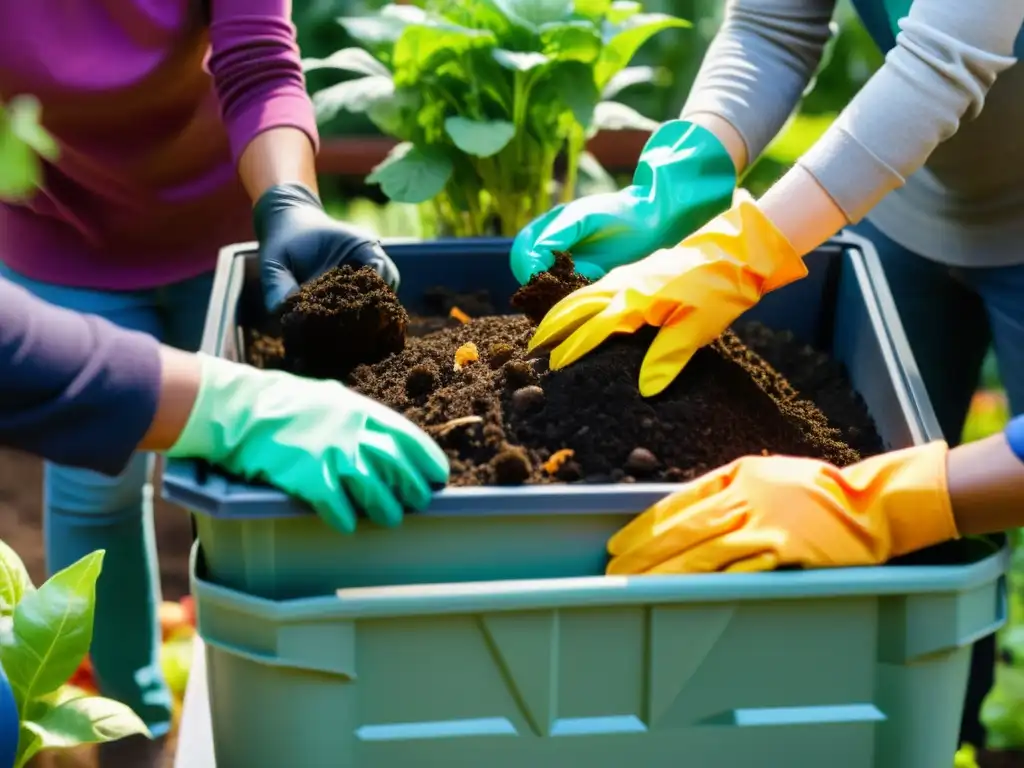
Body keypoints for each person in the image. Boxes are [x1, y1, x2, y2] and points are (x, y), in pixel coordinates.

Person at [511, 0, 1024, 749]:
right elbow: (774, 24)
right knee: (918, 573)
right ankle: (939, 736)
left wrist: (871, 503)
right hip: (910, 204)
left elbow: (948, 54)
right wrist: (686, 170)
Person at [0, 0, 398, 757]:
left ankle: (285, 701)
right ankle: (134, 729)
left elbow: (259, 63)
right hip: (61, 239)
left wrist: (289, 199)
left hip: (228, 225)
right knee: (95, 485)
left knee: (257, 466)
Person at [0, 268, 448, 759]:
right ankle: (134, 741)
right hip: (69, 252)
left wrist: (286, 198)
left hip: (199, 246)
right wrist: (227, 406)